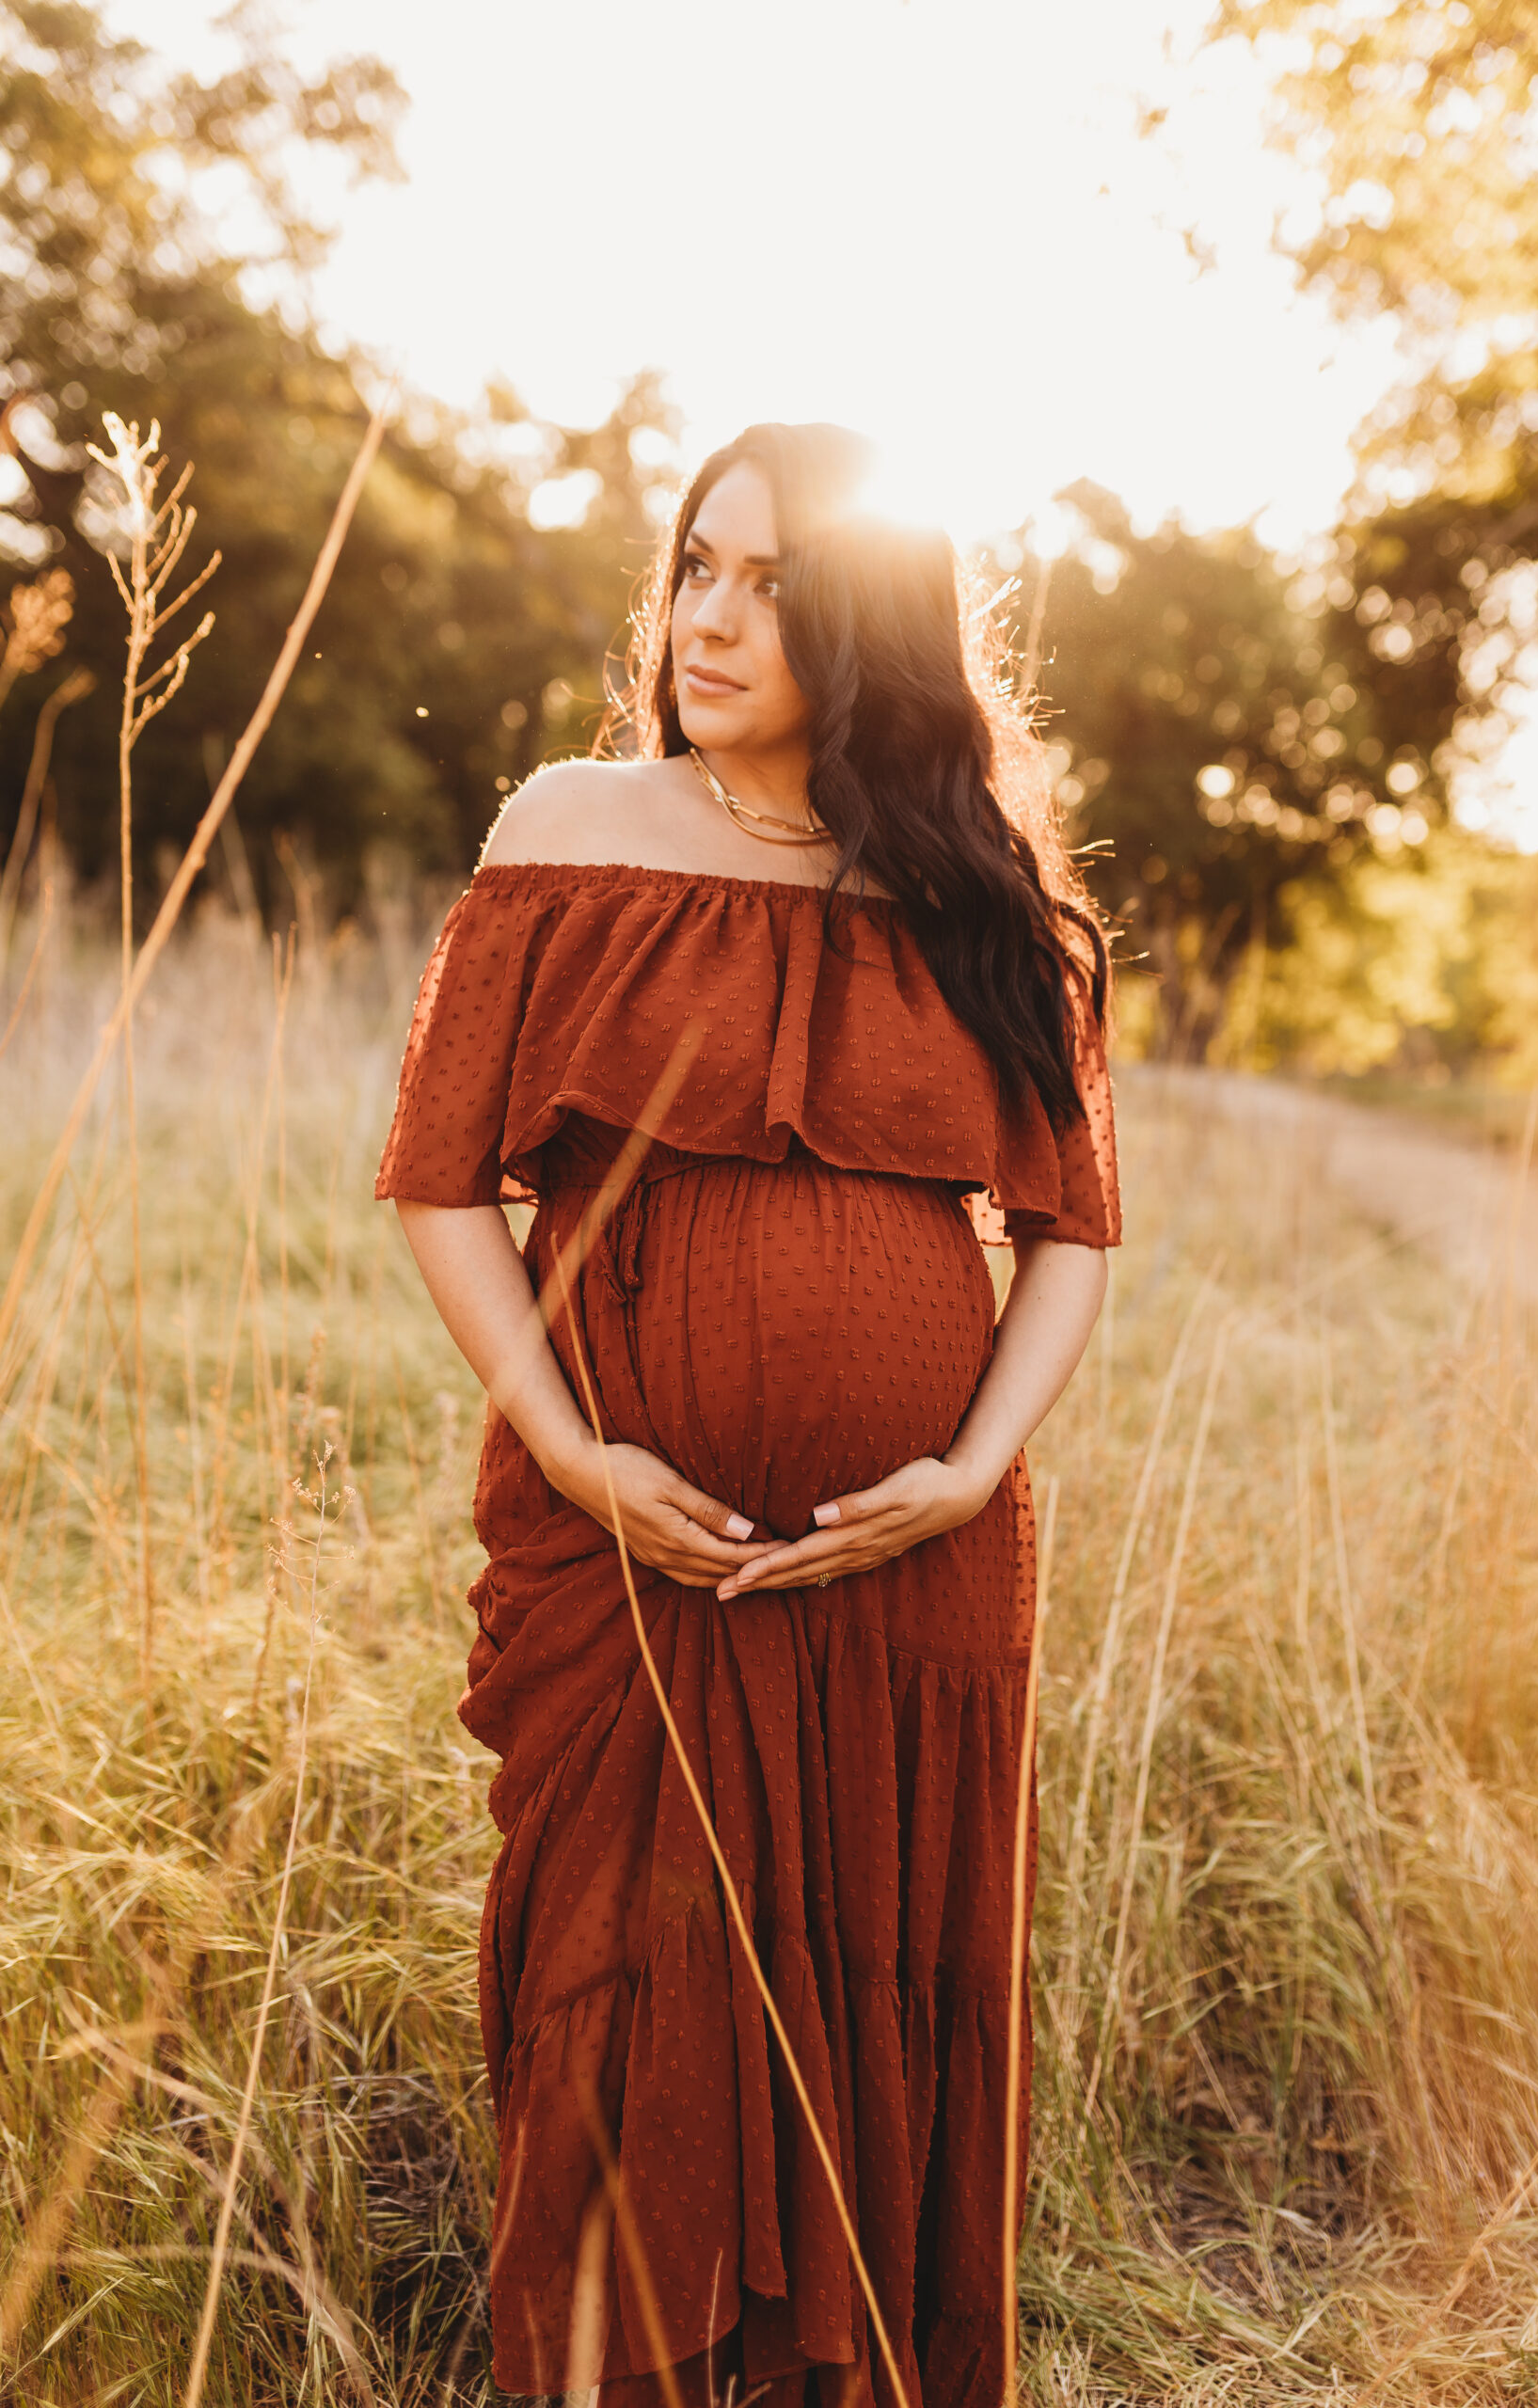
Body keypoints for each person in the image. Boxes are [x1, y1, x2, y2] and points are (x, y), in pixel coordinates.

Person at [375, 421, 1120, 2408]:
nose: (708, 616)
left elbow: (1068, 1236)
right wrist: (567, 1447)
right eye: (694, 566)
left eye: (772, 586)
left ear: (864, 626)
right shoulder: (570, 828)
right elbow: (444, 1181)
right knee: (616, 2001)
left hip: (910, 1571)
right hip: (637, 1552)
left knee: (877, 1992)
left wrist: (965, 1471)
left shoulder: (977, 897)